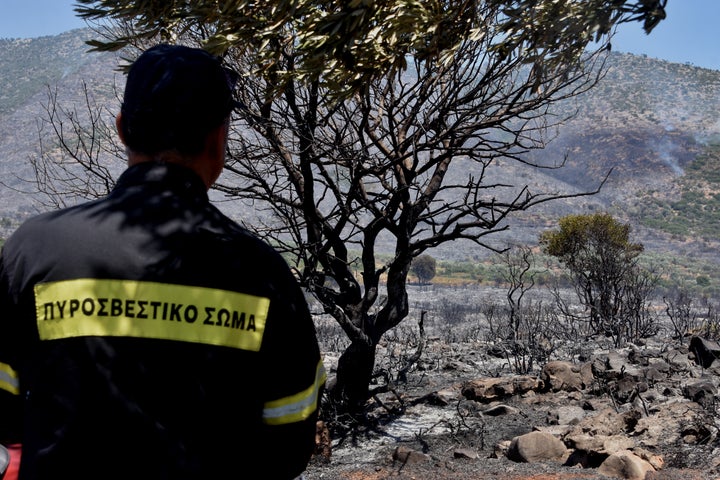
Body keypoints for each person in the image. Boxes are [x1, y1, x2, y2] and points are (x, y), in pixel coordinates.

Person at [0, 44, 325, 480]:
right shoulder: (263, 272)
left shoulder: (31, 249)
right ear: (218, 141)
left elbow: (3, 412)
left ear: (121, 130)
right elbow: (289, 444)